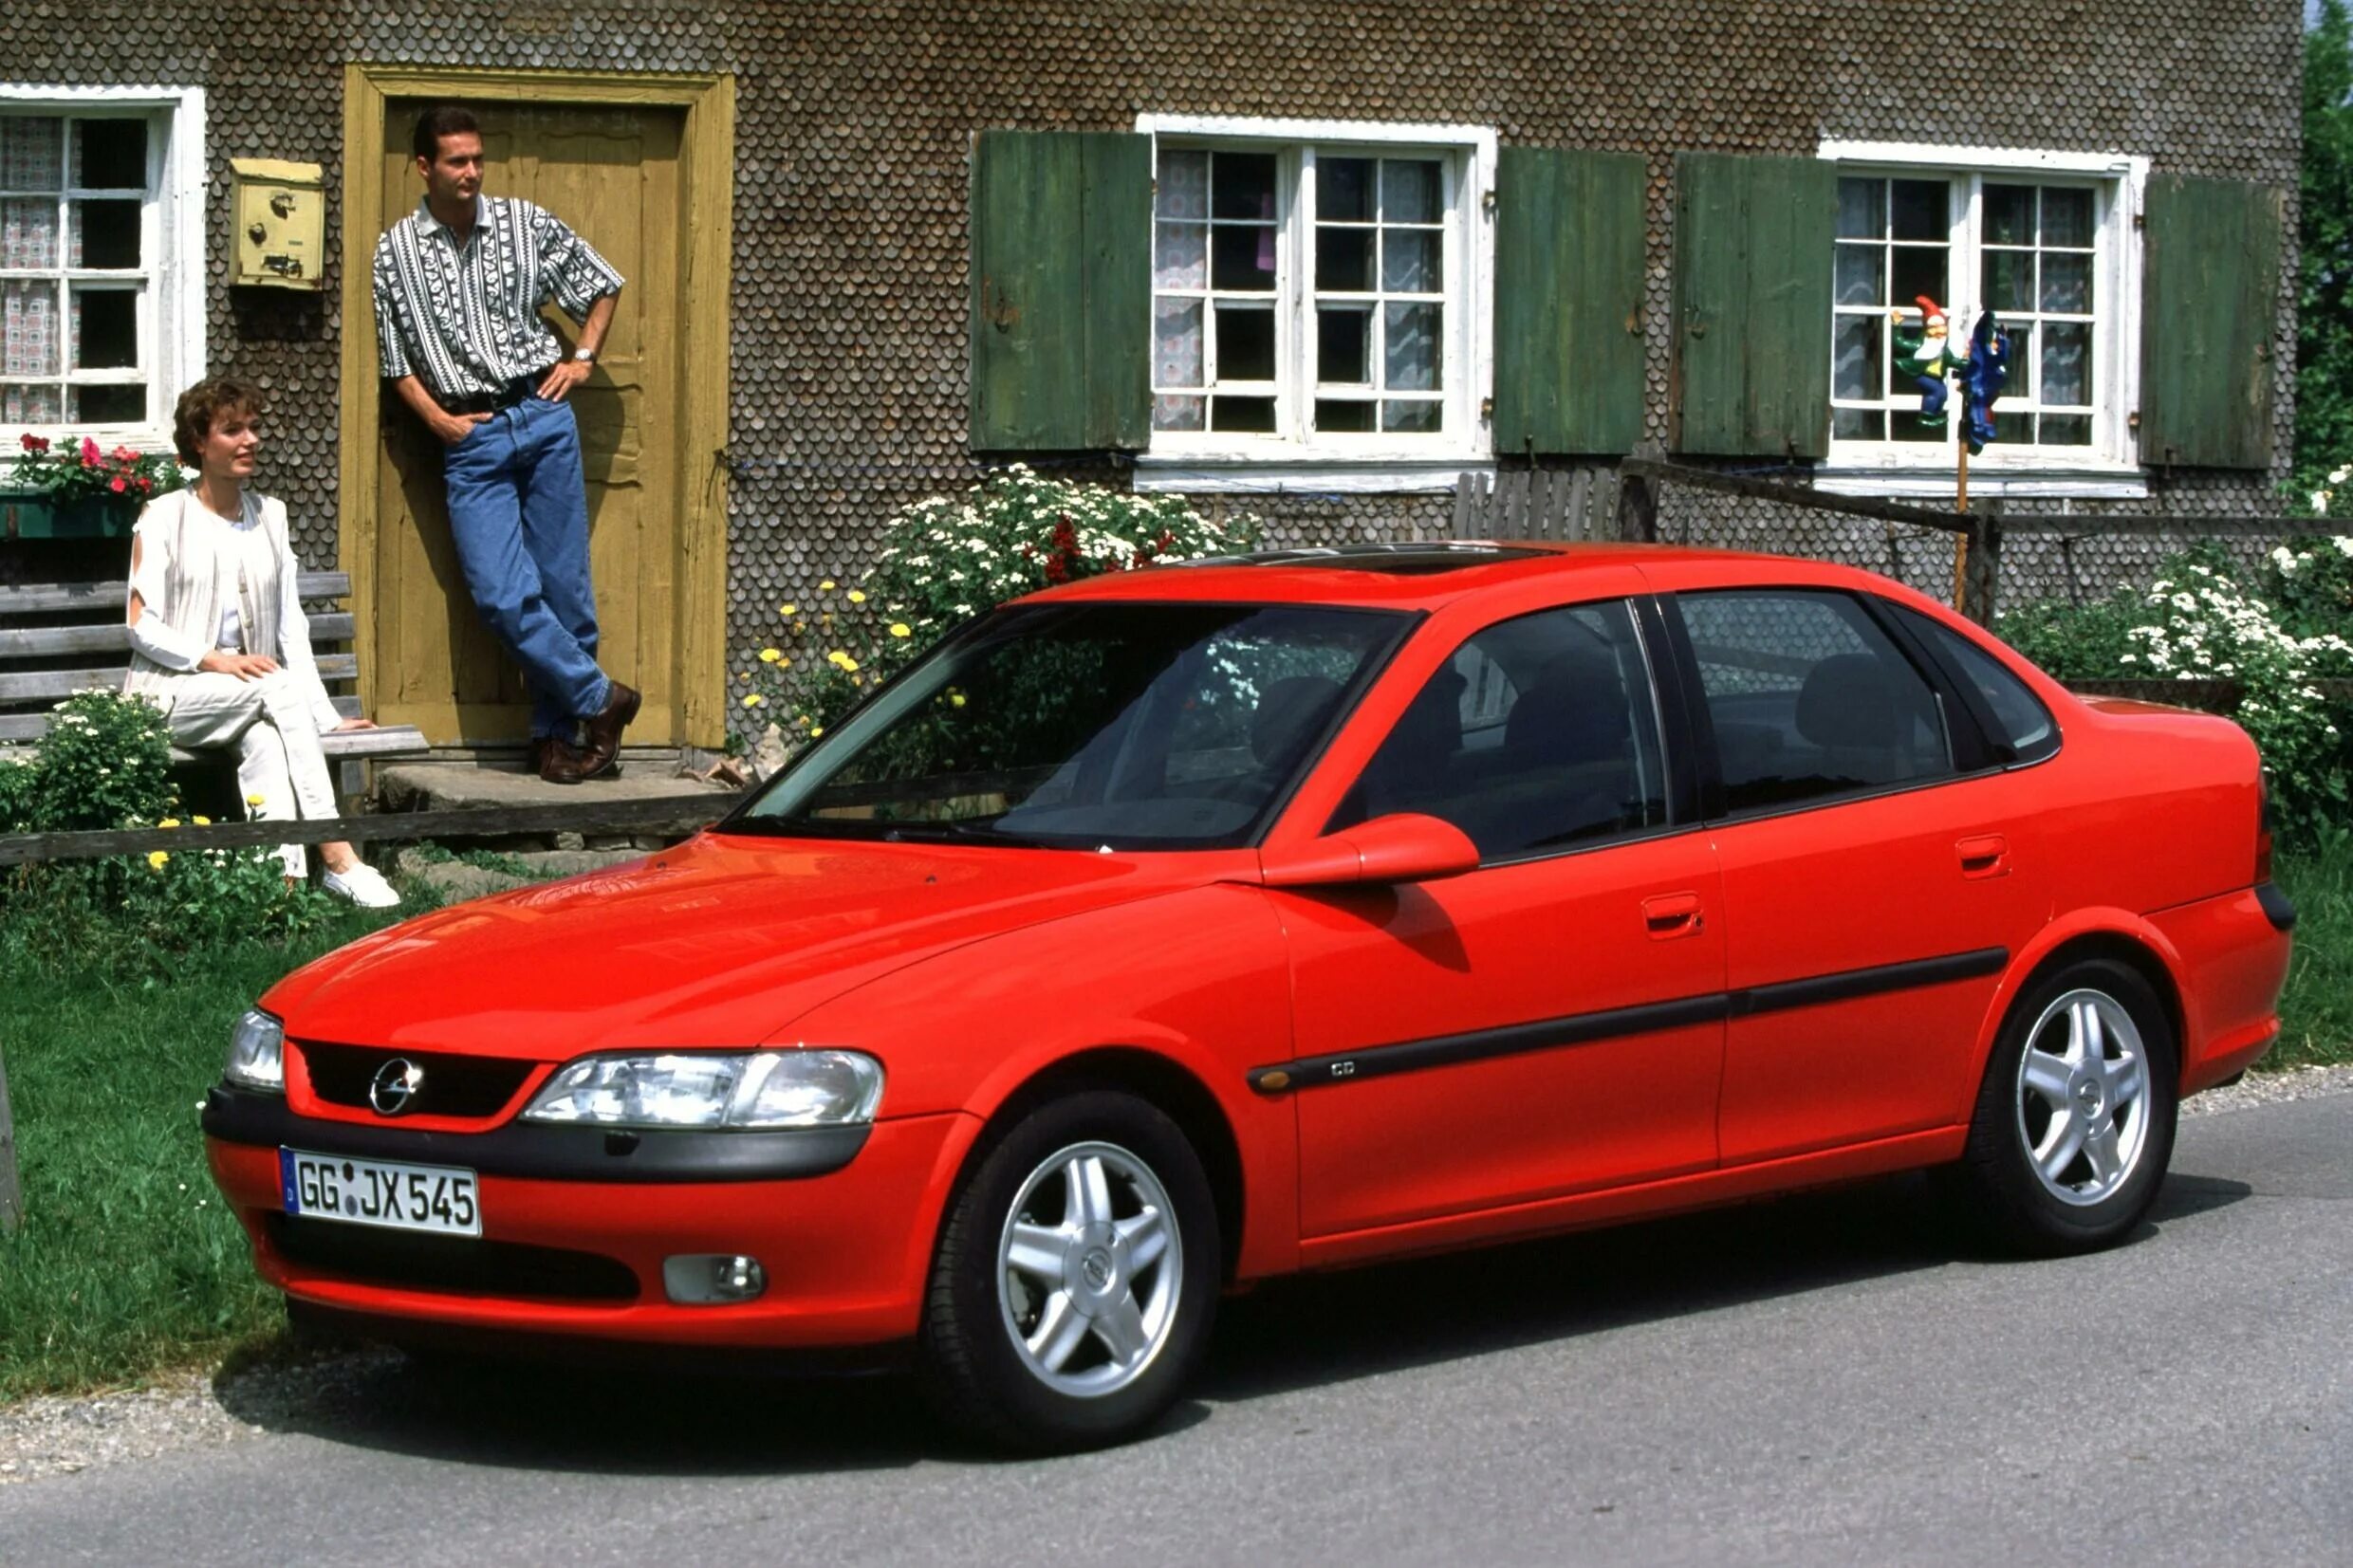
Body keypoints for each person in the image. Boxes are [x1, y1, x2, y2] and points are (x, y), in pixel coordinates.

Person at [370, 102, 638, 784]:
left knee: (565, 589)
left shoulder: (524, 222)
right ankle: (601, 699)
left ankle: (557, 739)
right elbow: (395, 362)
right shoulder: (394, 252)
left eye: (477, 159)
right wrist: (439, 422)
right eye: (456, 161)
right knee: (499, 592)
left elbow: (601, 284)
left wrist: (580, 357)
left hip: (542, 419)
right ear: (424, 166)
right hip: (471, 439)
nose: (471, 173)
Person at [122, 378, 400, 909]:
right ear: (200, 443)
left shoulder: (270, 516)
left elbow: (290, 625)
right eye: (232, 430)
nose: (250, 439)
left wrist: (325, 717)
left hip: (251, 697)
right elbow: (139, 624)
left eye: (253, 427)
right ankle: (339, 855)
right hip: (168, 696)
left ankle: (277, 886)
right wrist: (211, 659)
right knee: (274, 687)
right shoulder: (162, 517)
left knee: (269, 743)